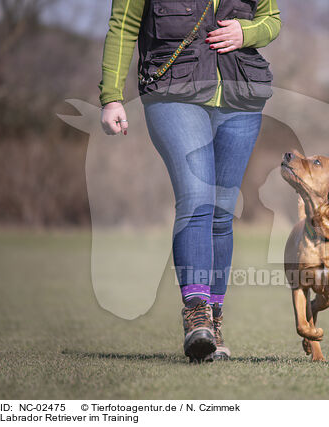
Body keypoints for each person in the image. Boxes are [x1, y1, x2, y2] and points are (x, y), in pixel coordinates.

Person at [99, 0, 281, 362]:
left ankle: (212, 325)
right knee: (197, 199)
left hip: (240, 96)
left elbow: (271, 21)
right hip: (173, 92)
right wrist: (111, 97)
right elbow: (123, 26)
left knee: (221, 212)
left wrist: (247, 32)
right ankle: (196, 314)